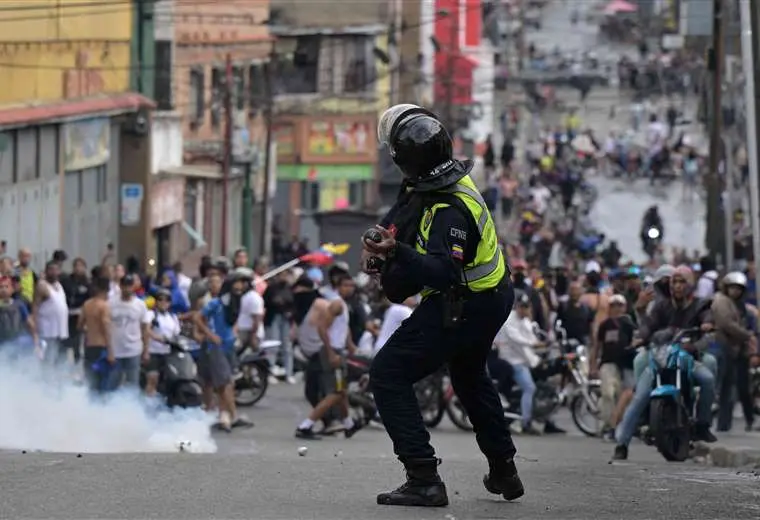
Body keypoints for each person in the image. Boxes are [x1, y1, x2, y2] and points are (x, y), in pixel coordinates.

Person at [362, 104, 522, 507]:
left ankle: (423, 477)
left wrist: (396, 251)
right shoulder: (428, 182)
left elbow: (441, 272)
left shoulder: (449, 207)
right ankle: (504, 469)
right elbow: (398, 218)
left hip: (467, 301)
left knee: (387, 373)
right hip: (491, 295)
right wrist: (382, 246)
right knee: (470, 376)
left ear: (403, 158)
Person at [613, 266, 717, 461]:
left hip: (687, 358)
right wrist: (640, 337)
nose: (677, 286)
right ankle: (621, 443)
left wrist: (706, 326)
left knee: (707, 378)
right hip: (660, 358)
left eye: (681, 282)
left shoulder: (701, 305)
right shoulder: (662, 307)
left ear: (690, 284)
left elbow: (707, 320)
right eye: (674, 282)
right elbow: (649, 325)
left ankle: (703, 425)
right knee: (640, 396)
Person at [294, 273, 361, 439]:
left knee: (342, 390)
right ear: (338, 287)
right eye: (345, 285)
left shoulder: (344, 305)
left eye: (351, 285)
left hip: (339, 350)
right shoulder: (337, 304)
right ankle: (305, 426)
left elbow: (343, 328)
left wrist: (351, 346)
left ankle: (348, 424)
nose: (349, 288)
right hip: (333, 352)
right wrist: (331, 353)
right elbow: (322, 328)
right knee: (336, 392)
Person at [194, 271, 254, 432]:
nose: (240, 286)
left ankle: (224, 414)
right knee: (224, 382)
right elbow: (197, 318)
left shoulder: (235, 301)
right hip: (216, 347)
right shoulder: (215, 303)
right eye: (238, 283)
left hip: (229, 346)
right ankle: (233, 415)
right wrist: (210, 335)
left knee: (227, 383)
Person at [712, 272, 757, 432]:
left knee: (740, 388)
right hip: (724, 348)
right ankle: (722, 424)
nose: (735, 291)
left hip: (739, 351)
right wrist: (746, 335)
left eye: (738, 288)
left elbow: (748, 324)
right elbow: (726, 324)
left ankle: (745, 420)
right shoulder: (721, 301)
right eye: (732, 287)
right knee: (724, 388)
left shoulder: (741, 306)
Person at [591, 294, 637, 440]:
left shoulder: (628, 324)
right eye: (613, 305)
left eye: (619, 305)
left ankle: (615, 425)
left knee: (621, 396)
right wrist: (593, 365)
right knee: (608, 393)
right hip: (608, 363)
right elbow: (597, 346)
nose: (616, 309)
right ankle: (607, 424)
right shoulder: (604, 325)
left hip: (624, 364)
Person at [496, 293, 543, 435]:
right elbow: (518, 341)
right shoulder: (509, 320)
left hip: (525, 359)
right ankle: (525, 422)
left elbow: (532, 336)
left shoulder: (525, 321)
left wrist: (542, 344)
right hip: (513, 361)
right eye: (522, 307)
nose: (524, 310)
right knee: (529, 388)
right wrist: (535, 344)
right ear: (517, 306)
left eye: (526, 307)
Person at [108, 274, 151, 391]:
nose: (127, 289)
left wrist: (146, 350)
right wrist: (109, 350)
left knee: (133, 386)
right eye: (124, 286)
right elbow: (106, 327)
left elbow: (145, 328)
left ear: (133, 287)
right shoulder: (111, 303)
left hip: (134, 350)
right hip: (116, 351)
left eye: (129, 286)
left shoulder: (140, 305)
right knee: (112, 385)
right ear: (120, 286)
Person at [144, 288, 182, 397]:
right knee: (152, 379)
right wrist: (157, 338)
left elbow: (177, 334)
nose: (163, 302)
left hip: (169, 353)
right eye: (160, 300)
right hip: (154, 351)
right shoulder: (151, 315)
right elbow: (146, 330)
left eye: (167, 300)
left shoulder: (173, 317)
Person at [78, 276, 113, 393]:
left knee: (91, 383)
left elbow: (79, 325)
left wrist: (90, 328)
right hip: (101, 348)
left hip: (89, 347)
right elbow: (106, 328)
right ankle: (100, 409)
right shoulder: (104, 306)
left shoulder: (86, 304)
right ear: (105, 291)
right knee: (103, 383)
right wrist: (111, 351)